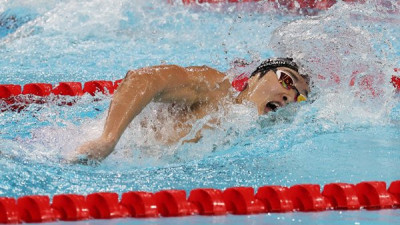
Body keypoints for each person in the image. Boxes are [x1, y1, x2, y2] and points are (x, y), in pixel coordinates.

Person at [70, 57, 310, 163]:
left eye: (299, 99)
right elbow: (142, 80)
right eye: (287, 80)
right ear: (256, 77)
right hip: (97, 152)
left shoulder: (254, 140)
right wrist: (108, 139)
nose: (290, 96)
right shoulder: (216, 89)